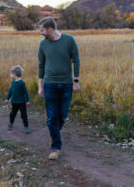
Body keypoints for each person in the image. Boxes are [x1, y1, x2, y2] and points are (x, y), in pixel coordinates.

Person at [37, 16, 80, 160]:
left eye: (42, 30)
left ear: (50, 29)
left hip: (67, 84)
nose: (41, 33)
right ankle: (56, 148)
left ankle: (54, 134)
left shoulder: (69, 40)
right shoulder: (43, 44)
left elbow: (76, 60)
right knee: (52, 117)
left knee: (62, 115)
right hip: (50, 85)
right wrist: (40, 86)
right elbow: (41, 66)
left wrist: (76, 80)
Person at [5, 65, 31, 134]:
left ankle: (26, 127)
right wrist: (7, 98)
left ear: (15, 74)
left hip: (22, 102)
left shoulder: (22, 83)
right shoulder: (13, 82)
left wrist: (27, 101)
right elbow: (10, 91)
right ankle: (10, 124)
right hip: (14, 102)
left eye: (11, 73)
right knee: (12, 114)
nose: (10, 75)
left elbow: (26, 92)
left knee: (23, 115)